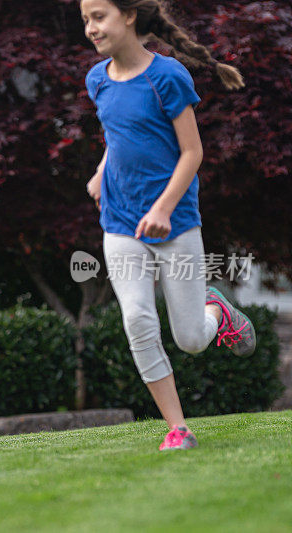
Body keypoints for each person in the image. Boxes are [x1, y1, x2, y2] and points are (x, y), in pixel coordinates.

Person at [80, 0, 255, 450]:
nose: (91, 29)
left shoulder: (168, 76)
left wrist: (161, 209)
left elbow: (192, 152)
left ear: (130, 16)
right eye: (86, 20)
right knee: (136, 317)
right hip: (119, 222)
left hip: (173, 222)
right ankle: (177, 427)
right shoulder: (97, 79)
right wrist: (103, 170)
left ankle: (216, 310)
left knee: (192, 339)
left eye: (99, 17)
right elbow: (115, 136)